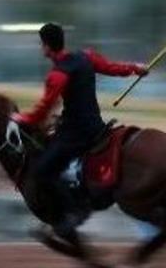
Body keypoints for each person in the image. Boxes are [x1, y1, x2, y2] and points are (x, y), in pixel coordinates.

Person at [12, 23, 148, 229]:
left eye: (42, 44)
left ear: (47, 46)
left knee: (41, 170)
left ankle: (73, 212)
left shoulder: (57, 75)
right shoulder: (87, 56)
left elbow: (43, 110)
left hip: (76, 134)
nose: (41, 48)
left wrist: (21, 118)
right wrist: (136, 69)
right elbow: (111, 68)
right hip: (95, 125)